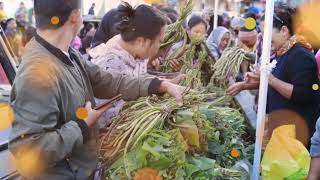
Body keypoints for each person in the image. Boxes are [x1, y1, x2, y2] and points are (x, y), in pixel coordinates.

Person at [8, 0, 187, 179]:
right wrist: (82, 125)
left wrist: (159, 85)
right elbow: (27, 150)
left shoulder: (67, 53)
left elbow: (106, 80)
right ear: (75, 17)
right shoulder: (36, 73)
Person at [227, 4, 320, 147]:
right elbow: (278, 82)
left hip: (296, 135)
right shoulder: (283, 52)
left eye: (268, 31)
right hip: (281, 130)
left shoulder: (301, 55)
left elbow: (302, 94)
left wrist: (269, 78)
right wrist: (245, 85)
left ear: (284, 30)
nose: (264, 36)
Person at [90, 2, 167, 127]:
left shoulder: (137, 55)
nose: (159, 46)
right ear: (142, 41)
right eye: (159, 41)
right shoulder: (109, 64)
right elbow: (105, 118)